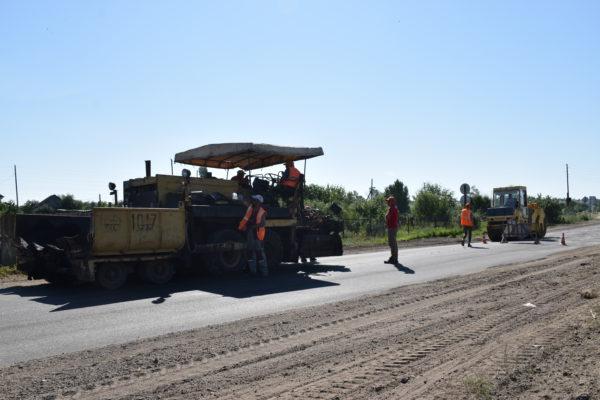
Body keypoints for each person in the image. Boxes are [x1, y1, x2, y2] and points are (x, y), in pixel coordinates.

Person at [238, 194, 268, 276]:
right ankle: (253, 271)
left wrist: (250, 227)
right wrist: (243, 227)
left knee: (259, 252)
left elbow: (262, 224)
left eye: (255, 200)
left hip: (258, 234)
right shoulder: (250, 209)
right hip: (251, 233)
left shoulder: (262, 211)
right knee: (250, 251)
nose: (253, 201)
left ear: (258, 202)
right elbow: (246, 219)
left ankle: (264, 271)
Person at [384, 196, 399, 264]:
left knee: (393, 243)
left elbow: (388, 217)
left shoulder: (392, 208)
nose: (387, 202)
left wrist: (386, 216)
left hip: (392, 228)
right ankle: (393, 257)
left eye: (388, 201)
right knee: (392, 243)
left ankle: (394, 258)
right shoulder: (393, 208)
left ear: (391, 202)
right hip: (392, 227)